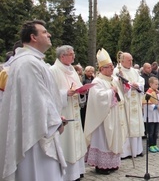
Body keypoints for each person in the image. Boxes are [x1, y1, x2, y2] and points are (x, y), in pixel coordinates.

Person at [0, 20, 67, 181]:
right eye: (44, 32)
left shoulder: (33, 61)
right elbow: (37, 101)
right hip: (35, 135)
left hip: (41, 128)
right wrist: (56, 122)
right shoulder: (28, 63)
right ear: (33, 37)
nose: (49, 34)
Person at [84, 48, 127, 175]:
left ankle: (112, 163)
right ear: (102, 69)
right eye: (108, 67)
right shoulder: (97, 81)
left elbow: (121, 93)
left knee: (114, 138)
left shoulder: (112, 79)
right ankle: (101, 166)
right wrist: (111, 92)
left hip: (114, 114)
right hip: (103, 117)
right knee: (103, 139)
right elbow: (97, 98)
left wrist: (120, 84)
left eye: (112, 66)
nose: (111, 69)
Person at [50, 45, 86, 180]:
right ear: (62, 56)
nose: (74, 56)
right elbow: (50, 93)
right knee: (68, 142)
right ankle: (67, 174)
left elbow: (78, 86)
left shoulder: (72, 70)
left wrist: (82, 91)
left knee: (76, 141)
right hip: (64, 110)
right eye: (71, 54)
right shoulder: (53, 70)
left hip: (74, 108)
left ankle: (77, 171)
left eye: (73, 53)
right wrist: (65, 93)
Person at [114, 52, 145, 159]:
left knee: (136, 126)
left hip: (135, 101)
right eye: (129, 60)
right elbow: (116, 86)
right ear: (121, 61)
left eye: (132, 60)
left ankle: (137, 150)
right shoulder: (117, 71)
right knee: (126, 126)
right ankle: (125, 152)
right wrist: (127, 87)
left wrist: (139, 85)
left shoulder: (134, 71)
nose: (131, 62)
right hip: (126, 103)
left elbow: (141, 81)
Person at [143, 77, 159, 153]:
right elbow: (146, 103)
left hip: (157, 114)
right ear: (150, 84)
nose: (157, 86)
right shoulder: (148, 93)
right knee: (151, 132)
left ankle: (155, 144)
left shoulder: (158, 92)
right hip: (151, 115)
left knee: (156, 131)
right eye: (155, 84)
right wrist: (155, 107)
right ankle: (150, 145)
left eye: (158, 84)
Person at [80, 65, 95, 130]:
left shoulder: (93, 79)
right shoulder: (83, 79)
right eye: (89, 71)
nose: (91, 73)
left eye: (92, 71)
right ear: (85, 72)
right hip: (85, 99)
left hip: (92, 99)